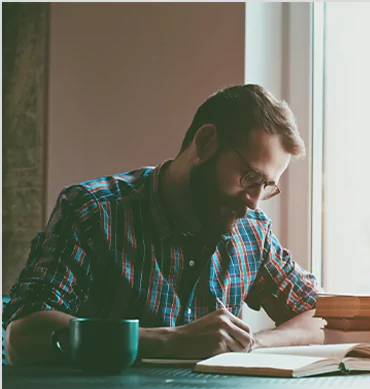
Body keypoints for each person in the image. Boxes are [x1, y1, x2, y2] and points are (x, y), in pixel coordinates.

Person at [3, 84, 324, 365]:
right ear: (206, 142)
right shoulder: (94, 211)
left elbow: (320, 316)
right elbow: (24, 334)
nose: (254, 200)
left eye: (266, 186)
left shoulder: (253, 232)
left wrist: (250, 344)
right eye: (251, 177)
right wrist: (173, 341)